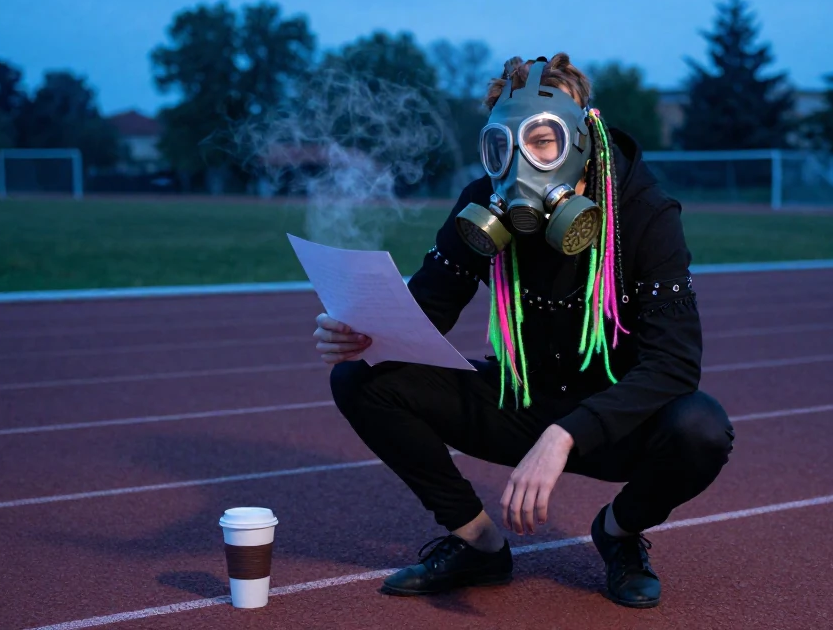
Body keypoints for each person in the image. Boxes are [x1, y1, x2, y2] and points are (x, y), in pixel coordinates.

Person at [315, 53, 735, 609]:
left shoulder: (645, 213)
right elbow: (424, 316)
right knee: (360, 378)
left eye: (543, 141)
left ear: (587, 132)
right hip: (522, 399)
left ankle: (618, 535)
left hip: (618, 420)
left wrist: (565, 436)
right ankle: (479, 547)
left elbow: (675, 365)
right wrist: (363, 332)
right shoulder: (483, 204)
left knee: (702, 427)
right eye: (503, 146)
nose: (523, 163)